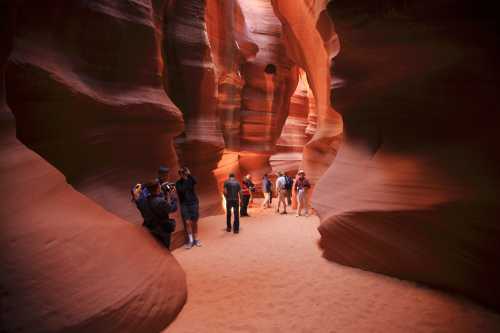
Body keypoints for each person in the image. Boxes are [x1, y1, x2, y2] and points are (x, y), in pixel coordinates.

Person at [134, 181, 177, 249]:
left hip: (149, 230)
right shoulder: (161, 202)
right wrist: (173, 198)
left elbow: (136, 195)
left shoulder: (142, 201)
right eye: (159, 187)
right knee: (164, 250)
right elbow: (173, 208)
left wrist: (141, 187)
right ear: (158, 189)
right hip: (162, 231)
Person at [176, 166, 201, 249]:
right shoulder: (178, 183)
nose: (182, 174)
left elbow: (195, 181)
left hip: (194, 203)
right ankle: (190, 240)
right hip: (184, 204)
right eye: (181, 173)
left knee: (194, 222)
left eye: (183, 172)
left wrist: (189, 175)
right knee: (187, 222)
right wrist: (185, 179)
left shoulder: (190, 179)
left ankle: (196, 239)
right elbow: (182, 190)